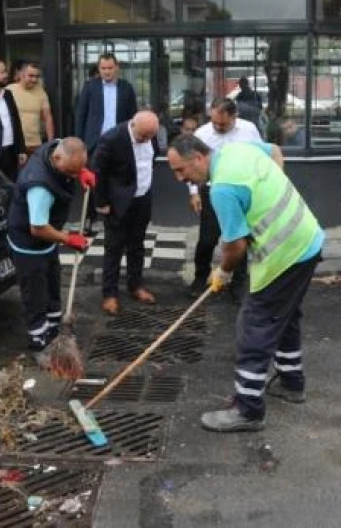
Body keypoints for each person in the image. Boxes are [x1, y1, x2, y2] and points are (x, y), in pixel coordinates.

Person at [167, 135, 322, 433]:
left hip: (285, 253)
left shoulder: (222, 189)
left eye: (180, 170)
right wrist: (273, 192)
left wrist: (223, 272)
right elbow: (275, 150)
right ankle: (292, 383)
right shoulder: (238, 149)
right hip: (307, 238)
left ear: (199, 158)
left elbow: (235, 245)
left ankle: (248, 410)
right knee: (285, 315)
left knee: (254, 323)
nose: (179, 177)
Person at [7, 137, 97, 357]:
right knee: (35, 292)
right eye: (70, 172)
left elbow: (70, 154)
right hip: (29, 244)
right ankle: (39, 338)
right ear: (56, 159)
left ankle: (57, 330)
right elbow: (38, 228)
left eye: (76, 172)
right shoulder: (40, 187)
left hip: (46, 243)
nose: (73, 177)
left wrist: (80, 171)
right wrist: (68, 239)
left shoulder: (56, 147)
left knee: (52, 283)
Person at [188, 98, 264, 299]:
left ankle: (238, 285)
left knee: (240, 239)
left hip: (242, 191)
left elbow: (261, 156)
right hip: (213, 191)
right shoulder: (202, 134)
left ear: (234, 117)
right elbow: (191, 164)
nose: (218, 127)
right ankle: (200, 278)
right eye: (214, 122)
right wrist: (193, 192)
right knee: (207, 239)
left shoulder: (249, 130)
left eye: (223, 123)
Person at [92, 111, 161, 315]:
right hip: (118, 201)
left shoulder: (150, 134)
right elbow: (97, 170)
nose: (146, 140)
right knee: (114, 247)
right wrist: (101, 202)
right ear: (133, 125)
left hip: (143, 197)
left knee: (137, 245)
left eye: (150, 137)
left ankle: (135, 285)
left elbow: (152, 160)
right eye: (143, 136)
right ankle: (110, 294)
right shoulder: (113, 138)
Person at [75, 53, 137, 233]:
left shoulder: (126, 88)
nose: (107, 72)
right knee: (93, 181)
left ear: (117, 68)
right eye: (103, 68)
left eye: (110, 68)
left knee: (118, 179)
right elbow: (81, 115)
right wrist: (80, 142)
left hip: (119, 142)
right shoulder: (90, 87)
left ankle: (117, 217)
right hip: (96, 142)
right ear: (99, 68)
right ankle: (89, 219)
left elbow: (133, 116)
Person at [7, 61, 55, 154]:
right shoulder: (9, 90)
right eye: (31, 76)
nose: (34, 79)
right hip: (15, 144)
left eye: (37, 76)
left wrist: (50, 143)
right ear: (21, 75)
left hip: (35, 144)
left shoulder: (41, 92)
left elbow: (48, 118)